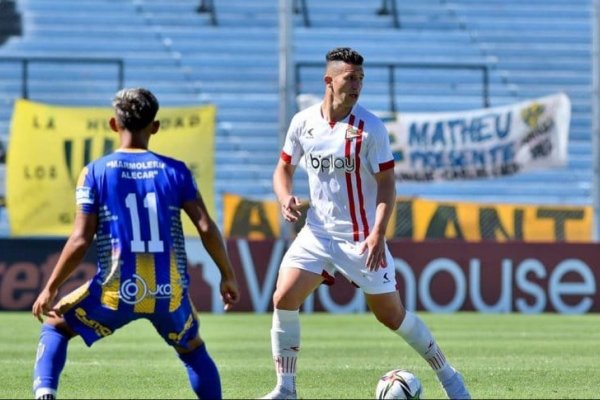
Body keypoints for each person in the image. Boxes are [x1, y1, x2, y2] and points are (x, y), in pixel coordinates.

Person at [261, 47, 471, 400]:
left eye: (361, 78)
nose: (357, 85)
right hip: (316, 233)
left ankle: (449, 376)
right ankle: (286, 389)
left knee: (392, 317)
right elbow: (283, 168)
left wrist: (378, 233)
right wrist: (285, 197)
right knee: (283, 297)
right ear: (329, 80)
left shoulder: (370, 128)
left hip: (360, 238)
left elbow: (388, 183)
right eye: (350, 78)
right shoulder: (303, 122)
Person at [31, 88, 240, 400]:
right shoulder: (176, 171)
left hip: (116, 290)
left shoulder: (94, 172)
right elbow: (207, 227)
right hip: (167, 292)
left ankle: (45, 393)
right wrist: (227, 274)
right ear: (154, 127)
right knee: (193, 350)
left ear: (114, 124)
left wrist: (51, 287)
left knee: (56, 324)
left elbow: (80, 239)